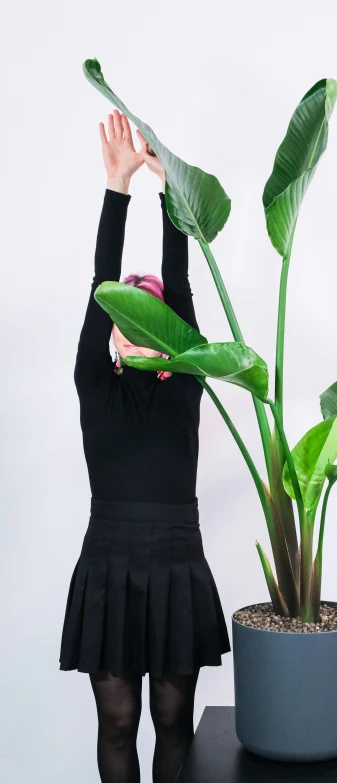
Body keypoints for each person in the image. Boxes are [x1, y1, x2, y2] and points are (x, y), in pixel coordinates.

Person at [59, 108, 231, 783]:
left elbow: (179, 283)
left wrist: (168, 191)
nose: (131, 323)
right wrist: (116, 186)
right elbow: (102, 277)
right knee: (118, 721)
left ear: (167, 331)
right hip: (109, 564)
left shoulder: (185, 380)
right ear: (111, 327)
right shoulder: (93, 383)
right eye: (121, 316)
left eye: (147, 314)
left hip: (175, 563)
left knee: (172, 721)